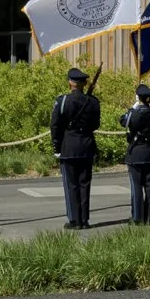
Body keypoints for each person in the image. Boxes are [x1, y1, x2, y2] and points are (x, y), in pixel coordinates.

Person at [49, 65, 102, 229]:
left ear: (70, 83)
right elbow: (95, 125)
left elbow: (55, 126)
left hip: (69, 146)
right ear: (84, 84)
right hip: (86, 146)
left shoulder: (63, 101)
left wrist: (57, 147)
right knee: (85, 184)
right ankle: (84, 220)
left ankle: (74, 220)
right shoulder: (92, 102)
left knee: (71, 184)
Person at [120, 83, 150, 225]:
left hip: (136, 153)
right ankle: (149, 217)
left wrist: (133, 108)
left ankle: (137, 217)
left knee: (136, 186)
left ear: (138, 98)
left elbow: (123, 121)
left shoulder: (133, 114)